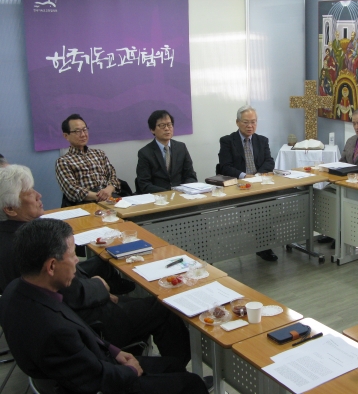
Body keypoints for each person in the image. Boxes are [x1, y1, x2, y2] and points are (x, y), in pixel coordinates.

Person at [0, 165, 191, 362]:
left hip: (56, 319)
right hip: (85, 324)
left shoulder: (9, 236)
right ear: (10, 209)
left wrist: (100, 271)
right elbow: (72, 293)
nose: (38, 195)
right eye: (29, 192)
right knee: (163, 307)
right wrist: (100, 288)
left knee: (106, 265)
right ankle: (174, 374)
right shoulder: (31, 244)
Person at [0, 219, 208, 394]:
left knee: (172, 365)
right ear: (52, 266)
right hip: (104, 382)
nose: (76, 261)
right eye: (72, 255)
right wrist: (131, 371)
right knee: (192, 384)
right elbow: (97, 379)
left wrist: (113, 349)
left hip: (98, 360)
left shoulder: (17, 290)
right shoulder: (53, 331)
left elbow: (78, 333)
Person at [218, 106, 277, 261]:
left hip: (260, 183)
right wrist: (245, 176)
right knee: (260, 209)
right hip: (239, 186)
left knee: (268, 204)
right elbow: (224, 166)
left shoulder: (262, 140)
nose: (250, 126)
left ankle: (264, 243)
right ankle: (263, 244)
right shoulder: (227, 141)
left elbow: (269, 162)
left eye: (253, 122)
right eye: (246, 122)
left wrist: (257, 176)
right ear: (237, 122)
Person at [55, 113, 122, 206]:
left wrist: (109, 189)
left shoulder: (99, 154)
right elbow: (71, 190)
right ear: (66, 136)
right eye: (77, 131)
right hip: (85, 203)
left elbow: (113, 176)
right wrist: (98, 196)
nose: (83, 135)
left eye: (85, 130)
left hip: (110, 197)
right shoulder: (63, 161)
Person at [136, 110, 197, 193]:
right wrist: (169, 194)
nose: (167, 128)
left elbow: (191, 176)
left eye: (169, 125)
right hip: (159, 198)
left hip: (182, 195)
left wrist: (183, 190)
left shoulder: (181, 147)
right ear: (152, 130)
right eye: (162, 126)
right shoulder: (145, 153)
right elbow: (144, 184)